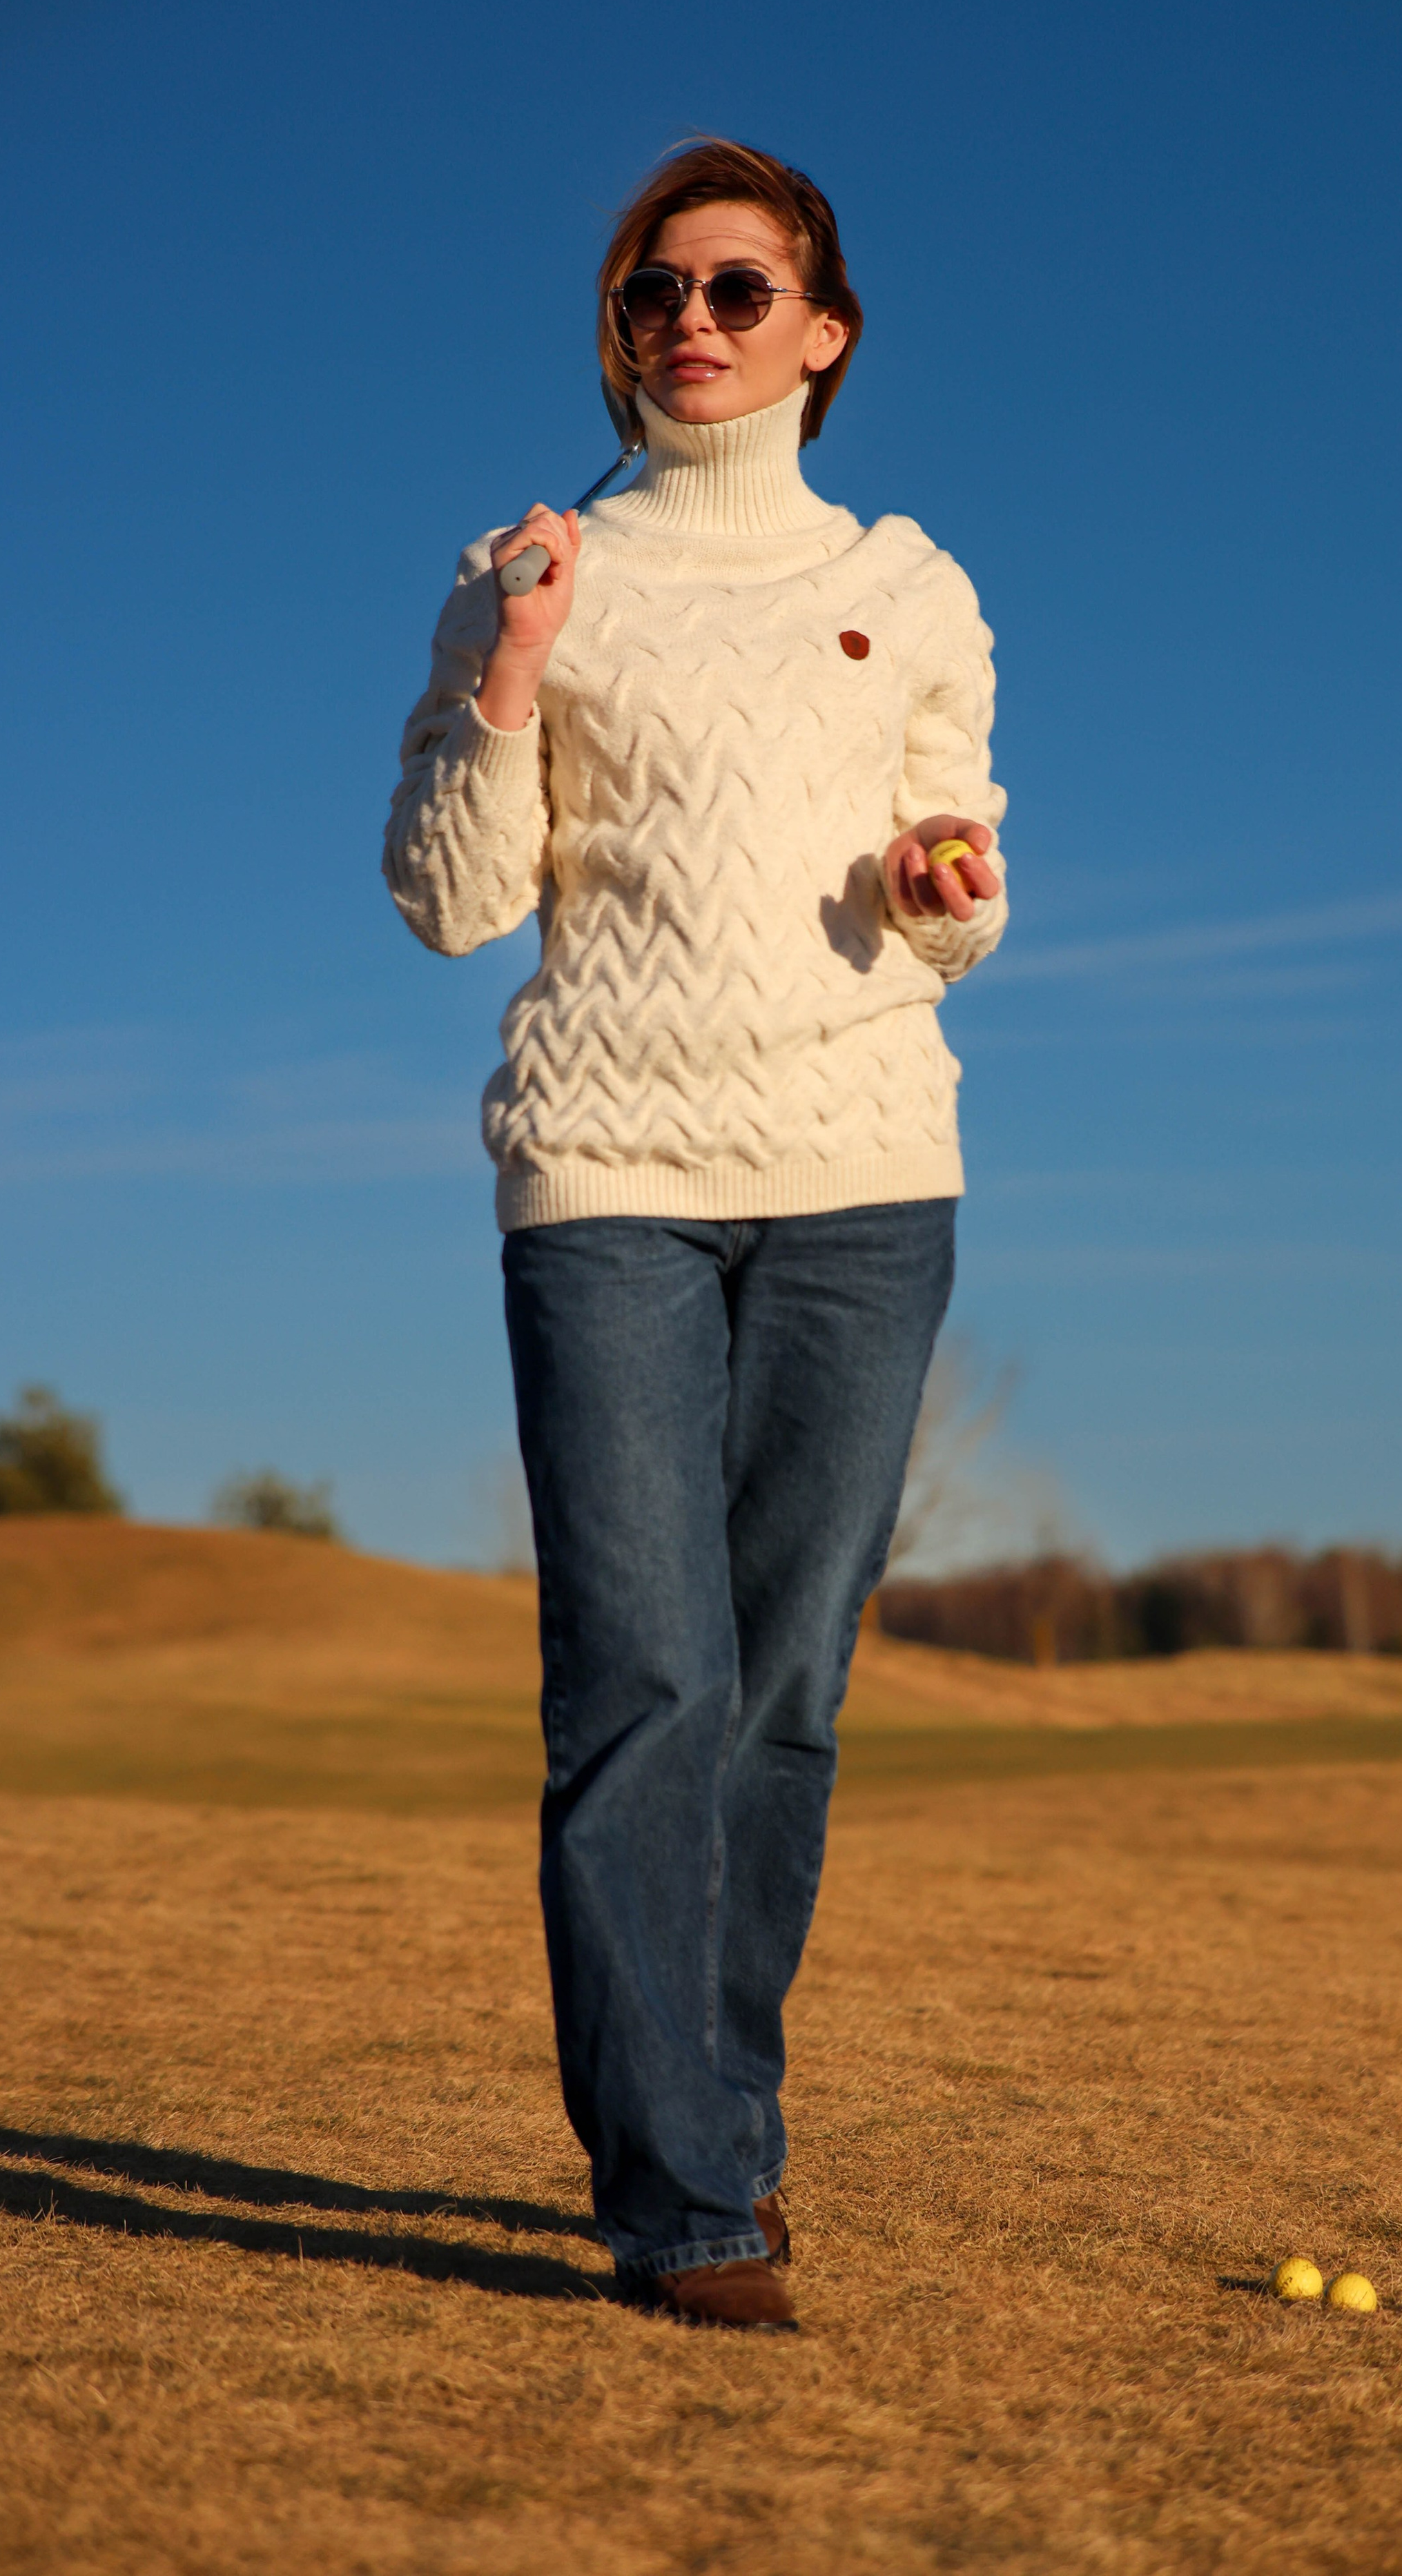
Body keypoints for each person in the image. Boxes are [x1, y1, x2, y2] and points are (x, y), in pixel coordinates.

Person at [384, 138, 1007, 2331]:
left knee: (786, 1693)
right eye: (660, 287)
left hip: (862, 1178)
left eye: (743, 289)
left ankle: (718, 2118)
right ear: (623, 322)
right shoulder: (528, 565)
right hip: (612, 1179)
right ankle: (686, 2195)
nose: (695, 321)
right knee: (646, 1679)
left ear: (822, 335)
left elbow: (960, 889)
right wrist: (516, 673)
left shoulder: (912, 580)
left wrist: (949, 885)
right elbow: (453, 897)